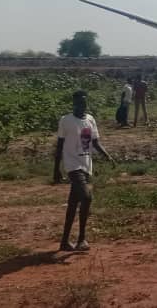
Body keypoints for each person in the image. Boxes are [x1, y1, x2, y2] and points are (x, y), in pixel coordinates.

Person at [53, 90, 117, 252]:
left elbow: (95, 143)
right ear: (73, 103)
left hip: (86, 164)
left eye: (84, 102)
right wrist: (56, 170)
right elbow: (59, 146)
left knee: (73, 204)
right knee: (87, 197)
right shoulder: (65, 121)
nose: (81, 105)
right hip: (72, 166)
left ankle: (64, 242)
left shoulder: (90, 120)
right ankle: (82, 238)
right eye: (78, 102)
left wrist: (107, 156)